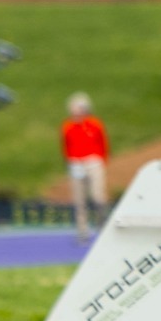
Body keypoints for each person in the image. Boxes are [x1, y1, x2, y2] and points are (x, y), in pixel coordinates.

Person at [60, 93, 110, 245]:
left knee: (98, 196)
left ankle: (101, 224)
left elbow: (103, 142)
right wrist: (71, 161)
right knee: (79, 200)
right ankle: (82, 231)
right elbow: (66, 145)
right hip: (76, 164)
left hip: (93, 161)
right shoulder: (68, 126)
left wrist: (100, 159)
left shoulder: (95, 124)